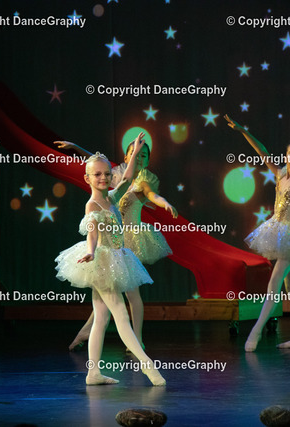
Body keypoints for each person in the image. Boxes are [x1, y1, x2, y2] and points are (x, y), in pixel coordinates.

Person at [55, 133, 166, 386]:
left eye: (106, 173)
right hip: (102, 262)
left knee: (101, 318)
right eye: (97, 175)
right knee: (121, 315)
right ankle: (148, 367)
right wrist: (92, 251)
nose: (104, 178)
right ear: (88, 178)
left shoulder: (111, 198)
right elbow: (92, 233)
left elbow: (127, 178)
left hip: (116, 258)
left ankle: (93, 373)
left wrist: (134, 153)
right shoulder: (93, 205)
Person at [225, 115, 290, 351]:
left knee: (274, 284)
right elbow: (261, 151)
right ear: (286, 155)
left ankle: (255, 332)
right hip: (278, 230)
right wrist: (243, 130)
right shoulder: (280, 175)